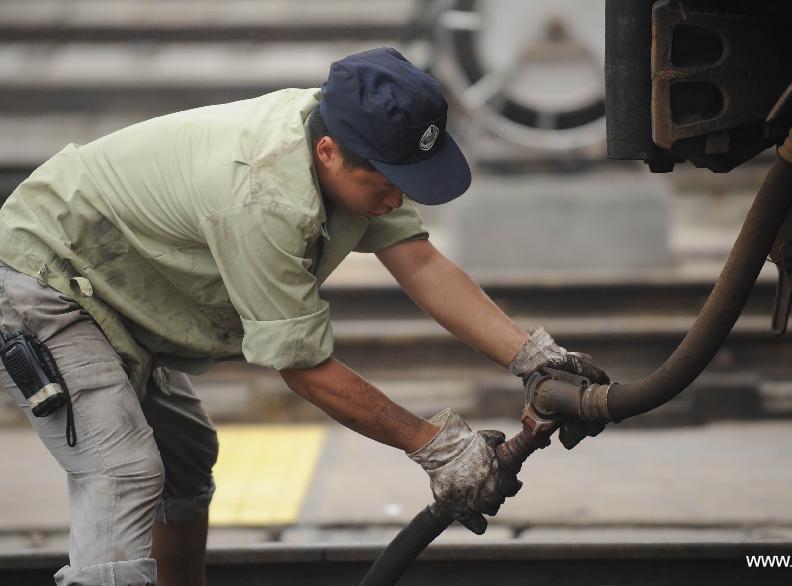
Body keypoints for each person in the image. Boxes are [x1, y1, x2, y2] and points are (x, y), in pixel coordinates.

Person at [0, 47, 607, 586]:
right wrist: (436, 447)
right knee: (124, 471)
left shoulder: (348, 140)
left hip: (115, 293)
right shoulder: (262, 195)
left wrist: (530, 356)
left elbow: (420, 263)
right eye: (392, 182)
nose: (400, 199)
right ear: (329, 153)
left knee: (184, 461)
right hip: (45, 282)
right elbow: (304, 367)